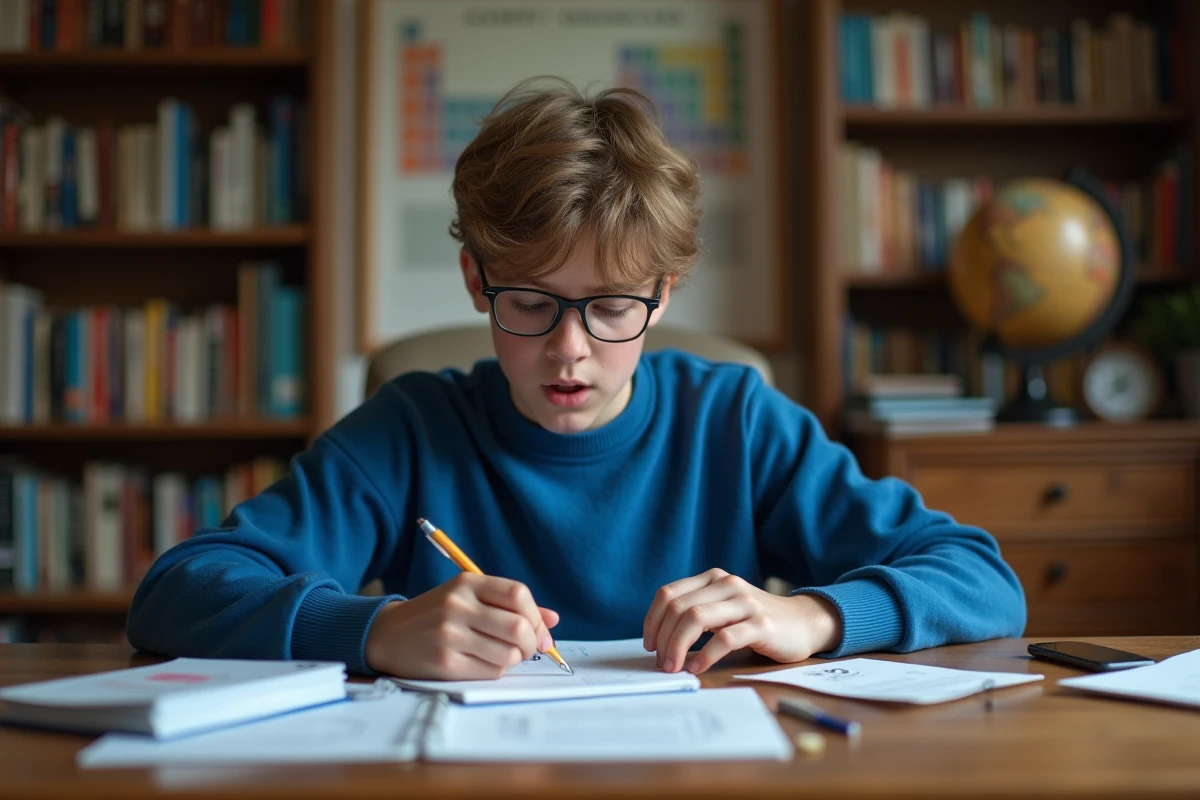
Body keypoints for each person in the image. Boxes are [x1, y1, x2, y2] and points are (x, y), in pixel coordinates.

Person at [126, 78, 1025, 680]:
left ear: (663, 295)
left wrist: (819, 619)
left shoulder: (736, 422)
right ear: (477, 279)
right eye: (530, 302)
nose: (569, 351)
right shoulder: (410, 430)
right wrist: (370, 629)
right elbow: (177, 591)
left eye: (610, 308)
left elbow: (982, 578)